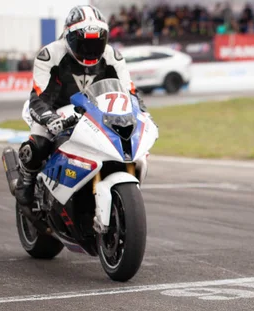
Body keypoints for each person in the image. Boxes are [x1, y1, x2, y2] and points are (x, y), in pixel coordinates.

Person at [14, 5, 151, 206]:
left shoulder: (113, 57)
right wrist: (48, 118)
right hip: (56, 111)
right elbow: (38, 97)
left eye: (96, 43)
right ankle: (26, 181)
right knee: (39, 146)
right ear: (69, 37)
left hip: (96, 112)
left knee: (127, 143)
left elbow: (129, 92)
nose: (90, 49)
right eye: (84, 43)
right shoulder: (50, 54)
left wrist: (142, 112)